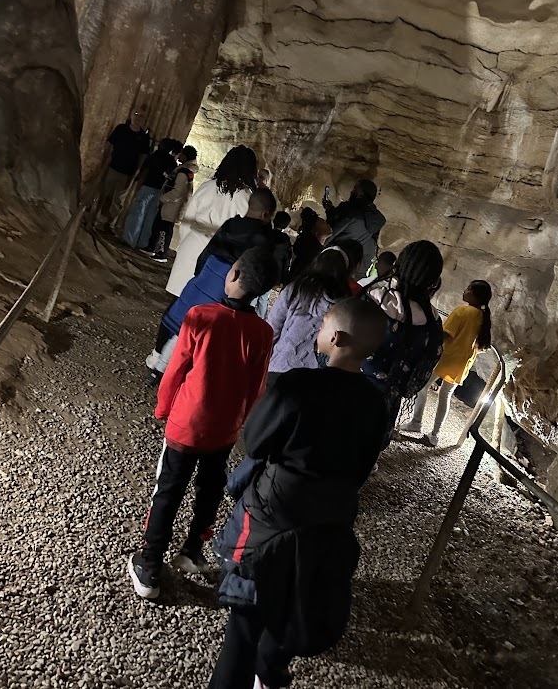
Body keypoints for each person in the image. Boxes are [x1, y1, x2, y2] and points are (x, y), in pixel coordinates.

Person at [208, 298, 388, 689]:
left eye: (323, 324)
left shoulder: (298, 384)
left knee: (247, 612)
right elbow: (364, 465)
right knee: (298, 590)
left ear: (336, 337)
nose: (319, 329)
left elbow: (255, 442)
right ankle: (270, 672)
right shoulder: (378, 403)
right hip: (332, 514)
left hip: (276, 509)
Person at [128, 248, 280, 600]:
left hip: (186, 426)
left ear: (235, 276)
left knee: (168, 491)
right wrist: (240, 419)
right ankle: (192, 550)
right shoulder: (261, 332)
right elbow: (257, 386)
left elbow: (175, 370)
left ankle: (149, 565)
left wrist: (164, 408)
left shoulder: (200, 316)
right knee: (210, 488)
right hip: (224, 430)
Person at [146, 189, 279, 381]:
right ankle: (171, 374)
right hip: (226, 287)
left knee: (177, 320)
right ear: (266, 214)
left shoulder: (231, 223)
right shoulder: (265, 239)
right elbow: (256, 270)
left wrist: (199, 276)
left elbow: (207, 253)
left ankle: (157, 364)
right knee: (197, 333)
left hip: (206, 275)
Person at [362, 240, 444, 447]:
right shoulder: (432, 322)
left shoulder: (375, 298)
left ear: (399, 267)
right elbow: (422, 370)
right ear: (433, 281)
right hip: (387, 401)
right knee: (369, 446)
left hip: (350, 386)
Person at [401, 280, 493, 446]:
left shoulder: (462, 311)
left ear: (475, 295)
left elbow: (446, 335)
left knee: (423, 386)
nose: (465, 290)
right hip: (462, 364)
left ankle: (416, 422)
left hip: (446, 357)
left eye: (469, 288)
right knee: (446, 395)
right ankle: (435, 434)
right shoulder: (483, 318)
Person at [166, 145, 258, 297]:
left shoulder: (208, 186)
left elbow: (188, 218)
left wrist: (183, 244)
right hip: (219, 256)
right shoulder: (247, 197)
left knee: (180, 297)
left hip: (192, 244)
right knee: (202, 303)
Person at [267, 247, 352, 373]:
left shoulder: (295, 289)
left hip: (279, 364)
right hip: (312, 376)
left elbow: (272, 327)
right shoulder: (344, 306)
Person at [122, 139, 182, 249]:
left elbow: (146, 171)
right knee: (150, 217)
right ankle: (143, 243)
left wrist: (138, 186)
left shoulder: (155, 156)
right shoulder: (172, 163)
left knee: (138, 213)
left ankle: (130, 239)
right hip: (159, 191)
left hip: (148, 187)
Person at [97, 106, 151, 227]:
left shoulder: (143, 137)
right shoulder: (121, 129)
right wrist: (105, 159)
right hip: (113, 167)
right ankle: (97, 217)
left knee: (118, 199)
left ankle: (109, 222)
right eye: (136, 114)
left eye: (141, 115)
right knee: (105, 194)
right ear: (131, 115)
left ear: (144, 119)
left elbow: (143, 155)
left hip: (127, 172)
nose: (137, 117)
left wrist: (138, 170)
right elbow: (109, 144)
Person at [144, 146, 199, 262]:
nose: (179, 156)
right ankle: (152, 248)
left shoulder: (184, 172)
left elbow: (178, 191)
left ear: (185, 156)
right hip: (170, 203)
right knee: (159, 226)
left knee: (165, 229)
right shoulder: (185, 170)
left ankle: (161, 253)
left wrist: (163, 198)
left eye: (181, 154)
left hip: (171, 204)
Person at [323, 179, 386, 276]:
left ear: (360, 193)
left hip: (334, 261)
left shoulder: (349, 208)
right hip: (355, 268)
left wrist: (319, 248)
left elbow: (331, 231)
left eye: (355, 189)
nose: (351, 192)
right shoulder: (376, 218)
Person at [253, 211, 293, 319]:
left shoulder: (265, 233)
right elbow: (286, 261)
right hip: (272, 273)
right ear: (286, 226)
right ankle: (260, 319)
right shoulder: (285, 241)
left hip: (259, 269)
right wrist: (282, 278)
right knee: (264, 297)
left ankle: (246, 315)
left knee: (253, 294)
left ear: (274, 220)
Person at [288, 207, 332, 280]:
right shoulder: (310, 257)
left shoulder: (315, 251)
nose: (328, 225)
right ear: (315, 231)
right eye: (323, 223)